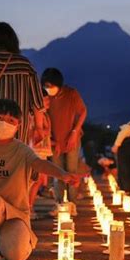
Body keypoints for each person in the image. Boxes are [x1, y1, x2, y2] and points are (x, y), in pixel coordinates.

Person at [0, 99, 81, 260]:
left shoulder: (22, 150)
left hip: (15, 215)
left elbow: (39, 163)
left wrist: (62, 174)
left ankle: (8, 238)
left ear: (18, 125)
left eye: (10, 121)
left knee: (16, 257)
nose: (3, 124)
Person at [42, 68, 87, 212]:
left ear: (58, 84)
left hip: (72, 140)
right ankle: (59, 204)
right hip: (55, 142)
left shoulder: (71, 94)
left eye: (51, 86)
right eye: (46, 86)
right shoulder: (45, 98)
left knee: (72, 170)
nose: (48, 89)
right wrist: (50, 140)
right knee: (58, 173)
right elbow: (43, 118)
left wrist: (75, 132)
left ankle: (72, 204)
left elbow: (83, 112)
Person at [28, 89, 53, 220]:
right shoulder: (33, 116)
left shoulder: (45, 115)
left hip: (42, 152)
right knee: (33, 180)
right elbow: (33, 133)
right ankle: (29, 207)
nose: (48, 102)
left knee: (36, 181)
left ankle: (30, 206)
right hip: (36, 151)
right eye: (45, 99)